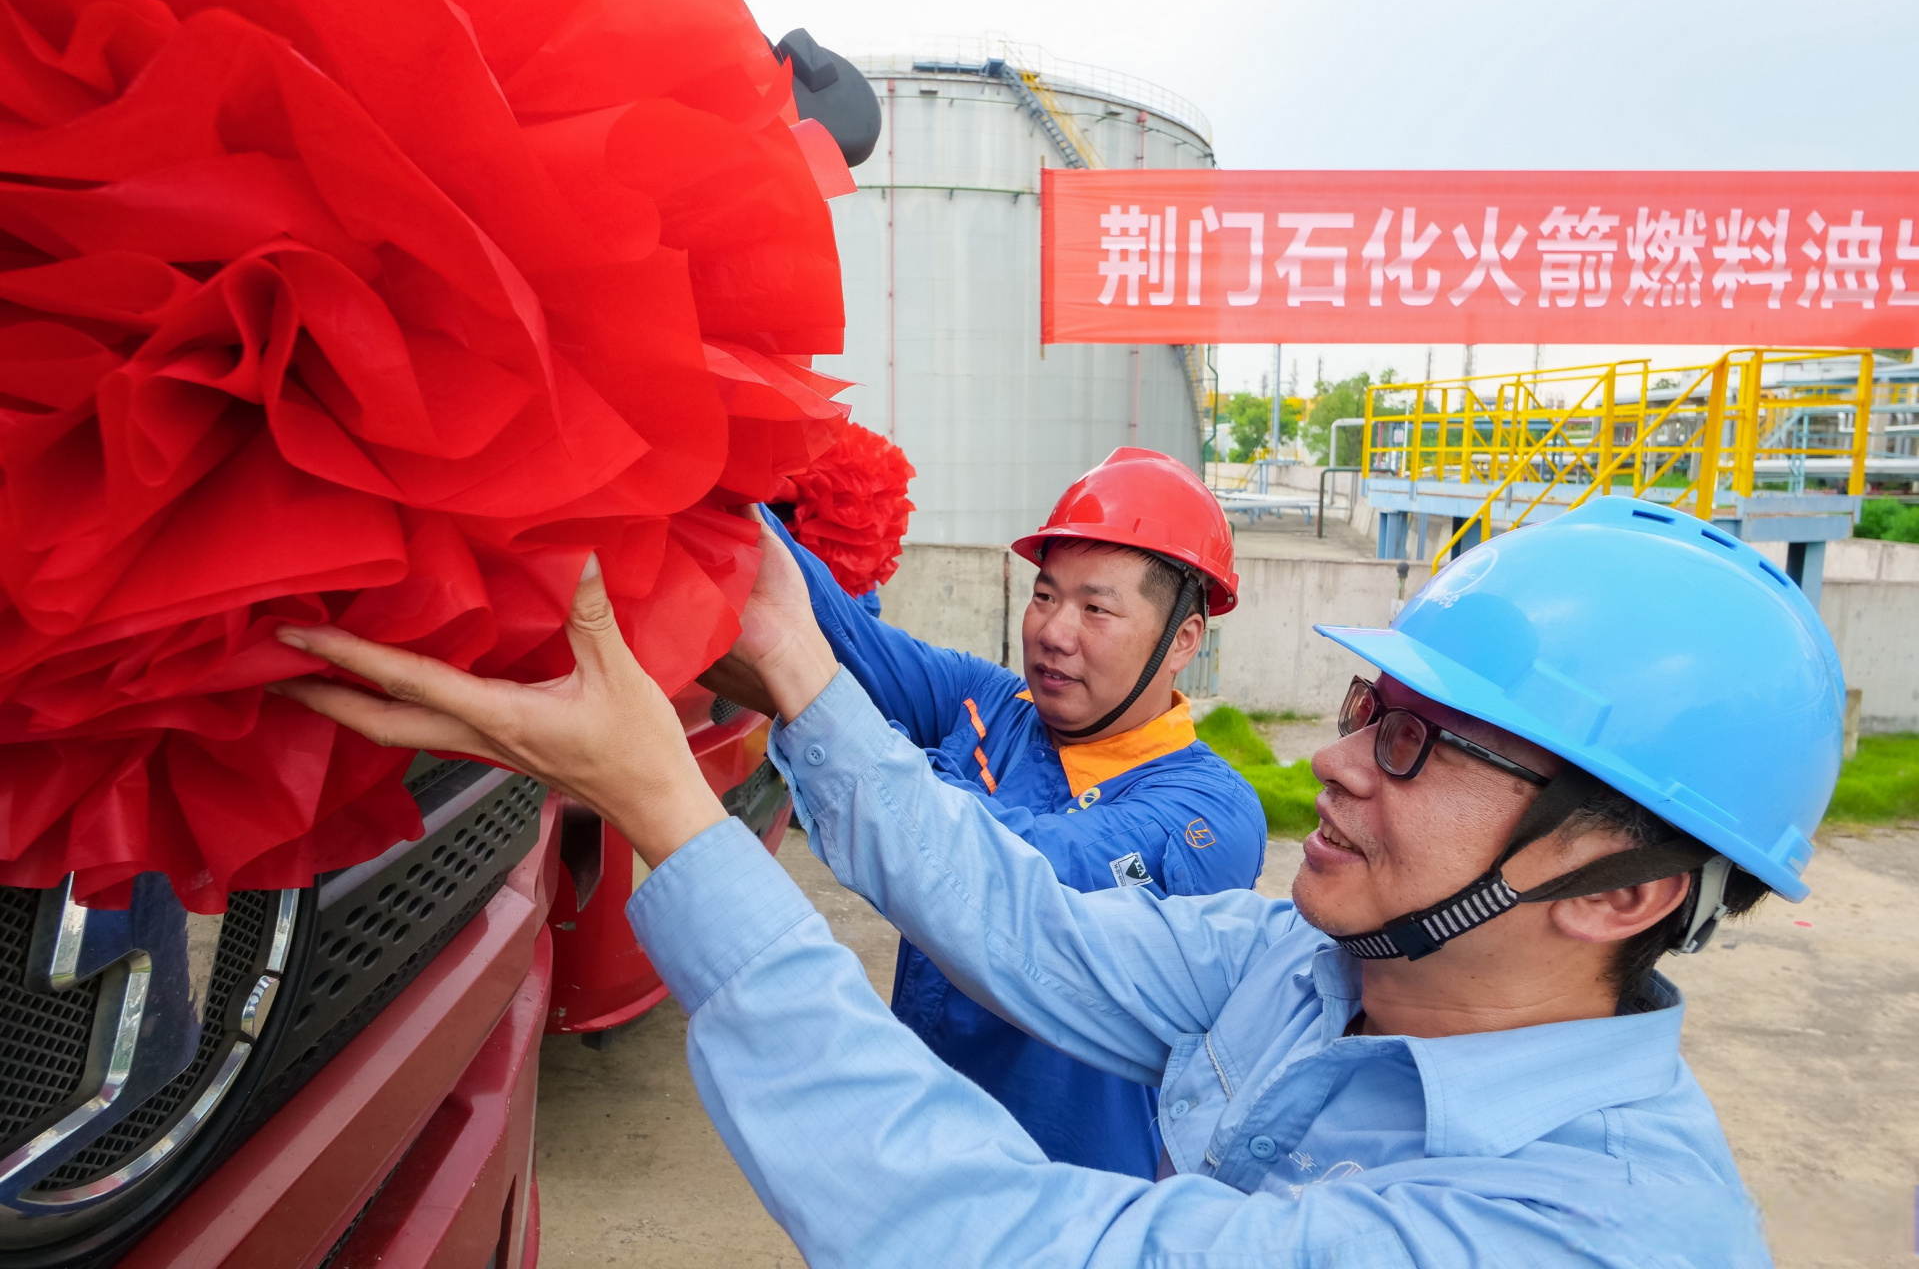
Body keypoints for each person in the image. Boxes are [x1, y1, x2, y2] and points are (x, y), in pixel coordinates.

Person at [270, 495, 1834, 1265]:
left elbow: (1016, 1241)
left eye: (1424, 745)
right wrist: (775, 610)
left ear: (1619, 888)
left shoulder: (1582, 1233)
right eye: (1368, 706)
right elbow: (1024, 925)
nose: (1341, 764)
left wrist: (668, 812)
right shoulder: (1307, 966)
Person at [704, 446, 1266, 1178]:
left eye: (1095, 608)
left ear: (1181, 640)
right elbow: (839, 635)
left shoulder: (1206, 813)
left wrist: (897, 756)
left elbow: (1027, 872)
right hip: (930, 1156)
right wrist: (729, 491)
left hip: (1079, 1196)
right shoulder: (987, 703)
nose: (1054, 632)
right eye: (1044, 595)